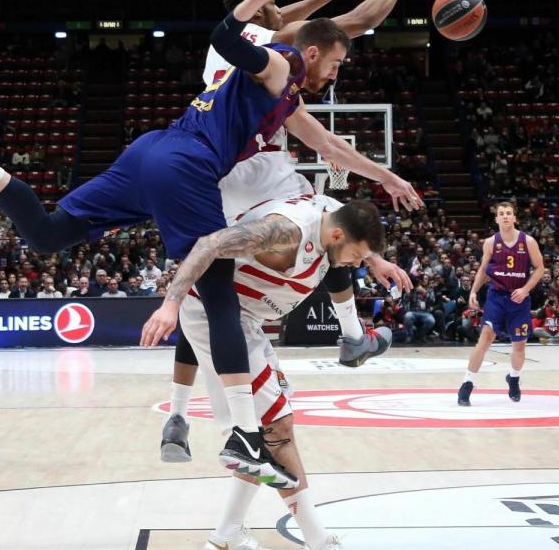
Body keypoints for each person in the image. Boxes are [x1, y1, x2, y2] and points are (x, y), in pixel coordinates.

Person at [0, 0, 418, 478]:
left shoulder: (287, 96)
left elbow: (329, 144)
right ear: (311, 51)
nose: (339, 72)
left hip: (150, 151)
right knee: (218, 294)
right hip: (189, 168)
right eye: (338, 63)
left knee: (47, 234)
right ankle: (245, 436)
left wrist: (387, 176)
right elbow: (239, 33)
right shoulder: (278, 65)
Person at [159, 0, 420, 464]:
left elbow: (297, 18)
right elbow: (346, 25)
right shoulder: (258, 45)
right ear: (257, 12)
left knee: (213, 298)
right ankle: (348, 336)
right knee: (329, 225)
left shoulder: (247, 44)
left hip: (227, 183)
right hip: (257, 178)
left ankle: (178, 415)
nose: (282, 10)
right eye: (274, 4)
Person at [152, 195, 388, 550]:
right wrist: (172, 301)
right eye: (358, 256)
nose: (357, 264)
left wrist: (378, 260)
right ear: (338, 236)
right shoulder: (287, 232)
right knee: (278, 427)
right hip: (217, 319)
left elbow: (349, 211)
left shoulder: (330, 226)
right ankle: (318, 539)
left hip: (248, 326)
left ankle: (226, 534)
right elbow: (210, 243)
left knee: (264, 434)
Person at [457, 202, 544, 406]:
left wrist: (525, 290)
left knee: (519, 344)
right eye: (501, 214)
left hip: (519, 299)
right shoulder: (490, 242)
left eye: (509, 213)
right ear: (496, 219)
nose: (505, 216)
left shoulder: (528, 241)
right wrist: (474, 291)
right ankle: (467, 384)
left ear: (515, 218)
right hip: (497, 297)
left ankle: (513, 378)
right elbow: (483, 270)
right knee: (485, 339)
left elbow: (540, 268)